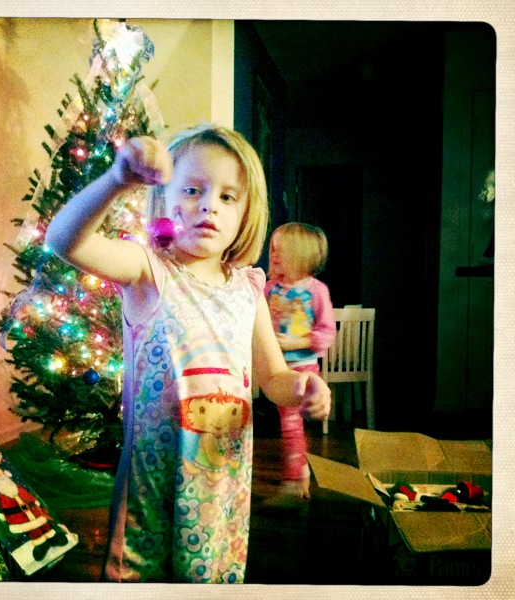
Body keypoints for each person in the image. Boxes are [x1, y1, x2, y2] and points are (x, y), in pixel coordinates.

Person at [45, 123, 331, 583]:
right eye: (193, 190)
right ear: (164, 199)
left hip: (221, 489)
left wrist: (304, 385)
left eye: (227, 196)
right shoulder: (147, 270)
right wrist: (117, 179)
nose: (208, 205)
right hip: (151, 485)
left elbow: (273, 379)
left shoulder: (249, 289)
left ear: (246, 213)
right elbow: (63, 240)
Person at [264, 222, 336, 503]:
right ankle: (300, 473)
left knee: (291, 424)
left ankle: (295, 482)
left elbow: (327, 332)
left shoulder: (316, 290)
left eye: (281, 249)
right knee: (290, 423)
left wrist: (296, 342)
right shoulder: (270, 288)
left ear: (301, 254)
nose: (273, 254)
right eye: (273, 248)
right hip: (275, 368)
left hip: (303, 368)